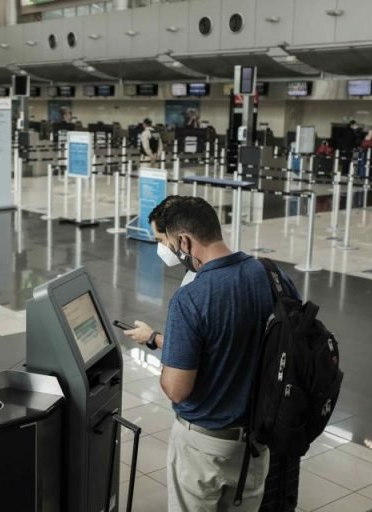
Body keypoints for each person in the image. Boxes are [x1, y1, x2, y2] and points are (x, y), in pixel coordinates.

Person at [128, 196, 298, 511]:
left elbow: (178, 389)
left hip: (204, 445)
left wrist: (165, 355)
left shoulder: (191, 298)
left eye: (166, 243)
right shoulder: (274, 277)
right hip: (257, 443)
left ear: (183, 241)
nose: (167, 251)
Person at [123, 196, 194, 349]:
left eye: (159, 240)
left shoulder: (193, 291)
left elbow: (185, 350)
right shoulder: (250, 270)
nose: (160, 248)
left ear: (182, 239)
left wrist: (153, 338)